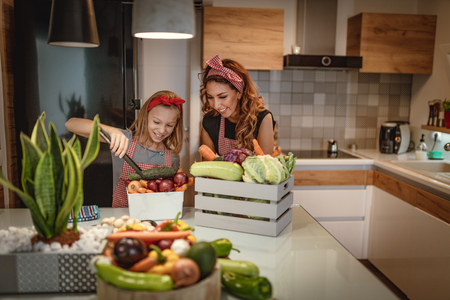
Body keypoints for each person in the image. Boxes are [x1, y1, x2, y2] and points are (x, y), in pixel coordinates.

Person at [65, 90, 185, 208]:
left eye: (169, 125)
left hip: (156, 219)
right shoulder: (124, 140)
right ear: (145, 116)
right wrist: (111, 131)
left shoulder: (172, 157)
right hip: (121, 218)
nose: (162, 130)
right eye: (156, 122)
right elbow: (71, 124)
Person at [199, 54, 275, 157]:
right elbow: (208, 168)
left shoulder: (263, 119)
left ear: (239, 92)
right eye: (210, 97)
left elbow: (266, 167)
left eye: (222, 97)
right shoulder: (210, 122)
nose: (216, 105)